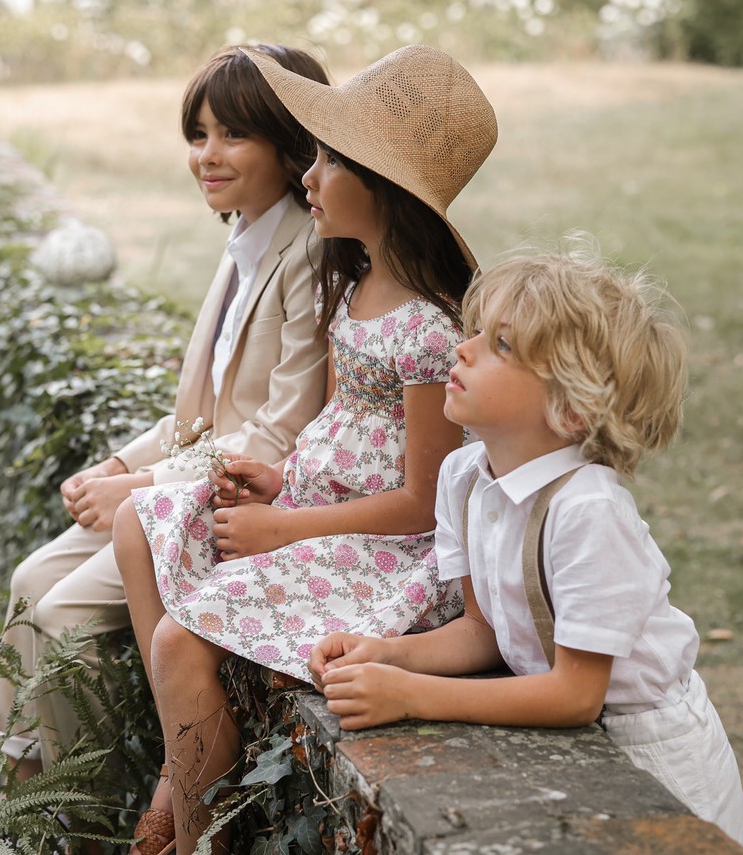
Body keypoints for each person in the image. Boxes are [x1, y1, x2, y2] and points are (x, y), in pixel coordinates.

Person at [112, 44, 499, 855]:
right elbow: (352, 436)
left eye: (327, 160)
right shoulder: (353, 285)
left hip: (382, 555)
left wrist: (283, 529)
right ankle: (177, 769)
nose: (309, 177)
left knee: (180, 639)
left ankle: (197, 834)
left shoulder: (426, 330)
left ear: (382, 184)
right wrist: (280, 479)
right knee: (144, 523)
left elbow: (422, 504)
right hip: (318, 509)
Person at [309, 245, 743, 849]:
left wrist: (411, 695)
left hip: (654, 754)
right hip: (567, 742)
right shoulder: (465, 477)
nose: (462, 348)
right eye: (478, 331)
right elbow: (482, 630)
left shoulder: (587, 510)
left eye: (501, 346)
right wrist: (387, 654)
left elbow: (575, 694)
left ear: (569, 407)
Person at [0, 45, 331, 801]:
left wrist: (142, 487)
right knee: (26, 582)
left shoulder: (309, 251)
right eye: (197, 134)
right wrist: (118, 467)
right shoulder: (243, 232)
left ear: (290, 144)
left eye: (232, 135)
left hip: (242, 499)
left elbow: (279, 433)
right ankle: (21, 789)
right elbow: (198, 410)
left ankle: (93, 809)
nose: (206, 155)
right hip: (178, 477)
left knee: (64, 619)